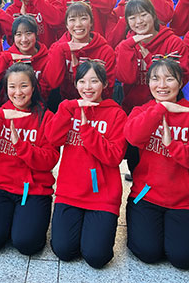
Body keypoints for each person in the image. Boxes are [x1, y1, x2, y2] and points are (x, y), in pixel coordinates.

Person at [124, 58, 189, 269]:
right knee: (147, 253)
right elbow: (133, 137)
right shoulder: (141, 111)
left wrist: (174, 147)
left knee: (184, 260)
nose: (162, 85)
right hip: (145, 195)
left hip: (183, 201)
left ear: (180, 83)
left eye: (169, 79)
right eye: (155, 79)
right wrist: (160, 109)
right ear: (148, 83)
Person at [45, 61, 128, 268]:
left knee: (97, 257)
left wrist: (87, 131)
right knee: (63, 250)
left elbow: (114, 156)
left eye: (94, 81)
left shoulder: (117, 114)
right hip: (70, 191)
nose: (87, 87)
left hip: (102, 194)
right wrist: (65, 108)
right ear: (75, 84)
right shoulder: (69, 108)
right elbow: (53, 138)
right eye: (82, 81)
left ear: (105, 84)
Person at [0, 63, 59, 255]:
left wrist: (22, 146)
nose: (18, 92)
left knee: (27, 243)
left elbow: (50, 159)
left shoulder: (46, 117)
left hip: (34, 190)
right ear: (5, 89)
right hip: (1, 187)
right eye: (12, 86)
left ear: (33, 87)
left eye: (24, 86)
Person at [115, 0, 189, 113]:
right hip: (134, 110)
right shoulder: (124, 46)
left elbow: (180, 78)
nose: (139, 21)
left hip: (168, 107)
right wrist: (127, 46)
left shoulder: (173, 42)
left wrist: (150, 60)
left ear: (154, 16)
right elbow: (127, 79)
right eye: (132, 18)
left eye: (143, 15)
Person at [44, 1, 116, 101]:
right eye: (72, 20)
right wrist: (61, 50)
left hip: (96, 105)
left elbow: (108, 91)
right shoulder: (57, 48)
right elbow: (52, 82)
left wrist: (78, 70)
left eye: (83, 19)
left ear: (91, 23)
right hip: (66, 105)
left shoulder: (105, 51)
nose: (78, 24)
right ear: (66, 25)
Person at [0, 15, 51, 100]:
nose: (24, 39)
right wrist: (6, 58)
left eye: (28, 33)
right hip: (9, 107)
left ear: (36, 35)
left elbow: (47, 90)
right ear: (13, 37)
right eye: (19, 34)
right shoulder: (5, 56)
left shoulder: (46, 58)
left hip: (39, 106)